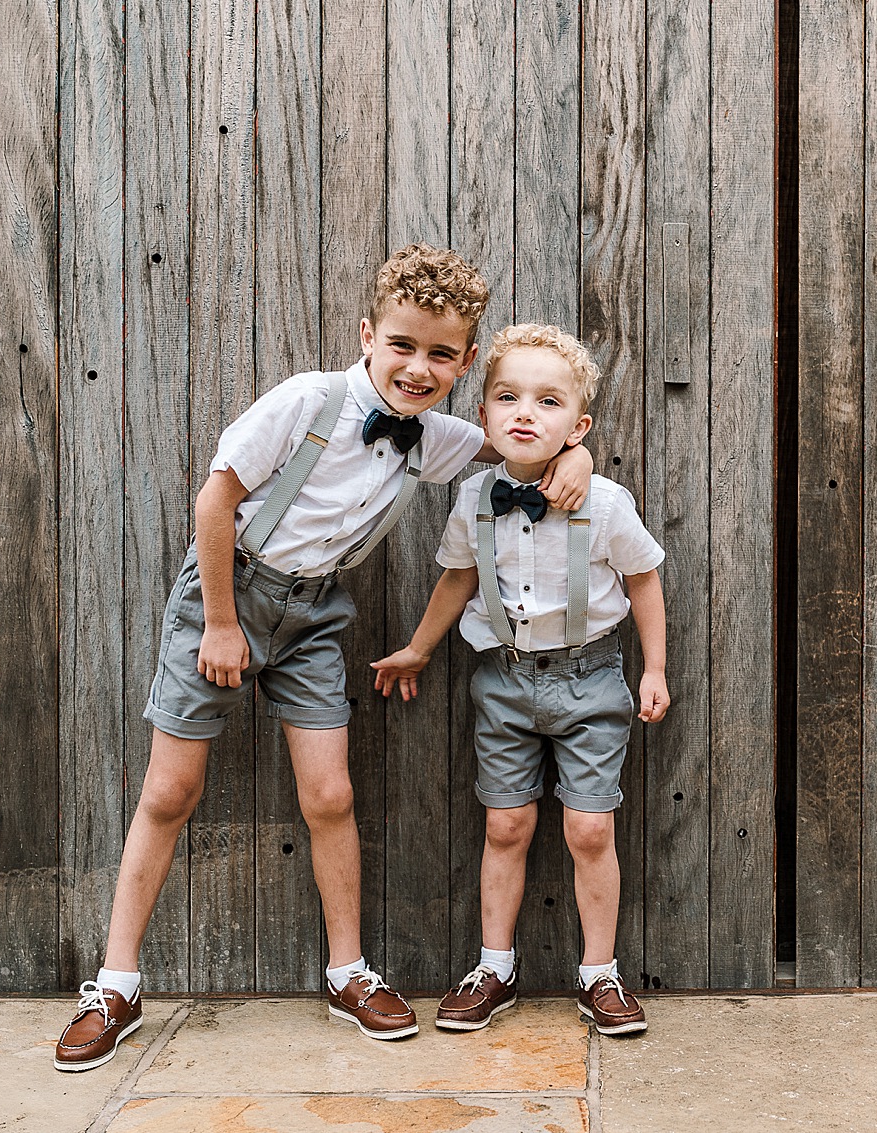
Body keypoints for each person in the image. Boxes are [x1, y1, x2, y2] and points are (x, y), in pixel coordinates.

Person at [52, 246, 592, 1072]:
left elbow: (528, 442)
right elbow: (216, 499)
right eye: (403, 345)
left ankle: (347, 972)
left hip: (316, 616)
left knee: (331, 791)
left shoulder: (443, 435)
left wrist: (579, 458)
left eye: (442, 355)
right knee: (171, 789)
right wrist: (223, 625)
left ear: (466, 362)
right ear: (369, 334)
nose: (418, 368)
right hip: (225, 595)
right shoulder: (310, 400)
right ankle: (116, 983)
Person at [372, 323, 668, 1036]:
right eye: (507, 397)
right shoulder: (475, 495)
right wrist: (418, 647)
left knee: (591, 829)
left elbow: (643, 577)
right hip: (501, 683)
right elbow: (457, 578)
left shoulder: (605, 499)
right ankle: (495, 966)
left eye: (547, 401)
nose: (524, 413)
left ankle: (600, 974)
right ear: (483, 416)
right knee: (505, 822)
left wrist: (655, 665)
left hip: (591, 681)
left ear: (579, 424)